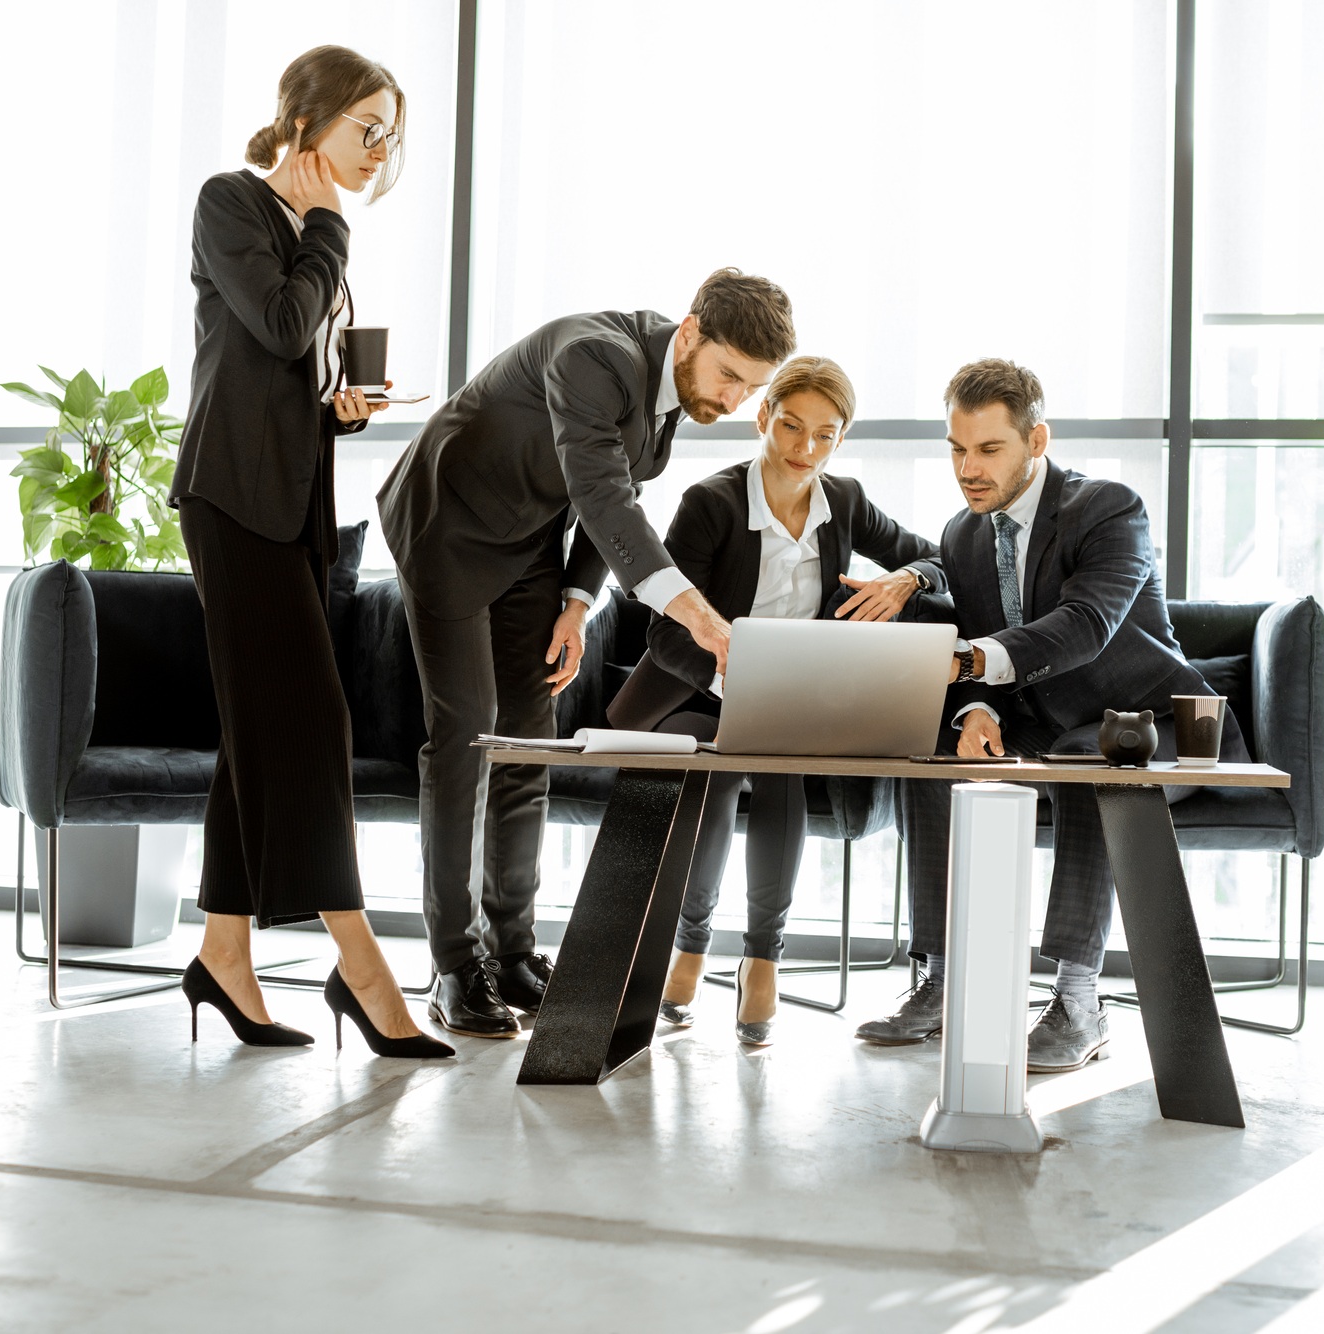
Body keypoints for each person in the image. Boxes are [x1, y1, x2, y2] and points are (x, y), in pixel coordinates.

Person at [375, 269, 796, 1038]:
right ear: (692, 330)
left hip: (529, 539)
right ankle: (454, 967)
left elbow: (607, 500)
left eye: (751, 386)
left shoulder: (671, 403)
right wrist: (699, 616)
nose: (735, 400)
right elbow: (603, 495)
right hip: (447, 525)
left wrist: (575, 603)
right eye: (729, 375)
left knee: (530, 740)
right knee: (469, 733)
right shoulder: (595, 355)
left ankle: (513, 954)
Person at [169, 45, 450, 1059]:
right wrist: (326, 225)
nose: (380, 150)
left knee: (258, 730)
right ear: (309, 118)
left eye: (390, 135)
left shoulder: (313, 236)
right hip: (229, 498)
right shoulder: (233, 203)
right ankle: (360, 964)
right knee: (313, 721)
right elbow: (283, 325)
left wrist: (341, 408)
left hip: (290, 506)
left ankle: (223, 953)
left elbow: (291, 370)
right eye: (366, 127)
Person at [854, 358, 1248, 1072]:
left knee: (1091, 764)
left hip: (1146, 722)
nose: (967, 468)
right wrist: (976, 709)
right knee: (931, 755)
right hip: (1044, 716)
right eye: (956, 449)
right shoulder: (965, 534)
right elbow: (990, 644)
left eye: (988, 449)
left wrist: (971, 663)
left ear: (1037, 441)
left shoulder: (1108, 509)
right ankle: (942, 978)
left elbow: (1085, 624)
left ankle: (1078, 1002)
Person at [605, 357, 945, 1045]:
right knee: (730, 757)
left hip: (790, 710)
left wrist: (906, 579)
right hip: (696, 695)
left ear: (841, 440)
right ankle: (694, 945)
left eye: (825, 435)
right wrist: (734, 680)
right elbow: (665, 632)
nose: (804, 450)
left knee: (778, 747)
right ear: (764, 417)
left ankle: (762, 955)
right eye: (791, 427)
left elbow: (940, 557)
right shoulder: (712, 503)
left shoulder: (843, 503)